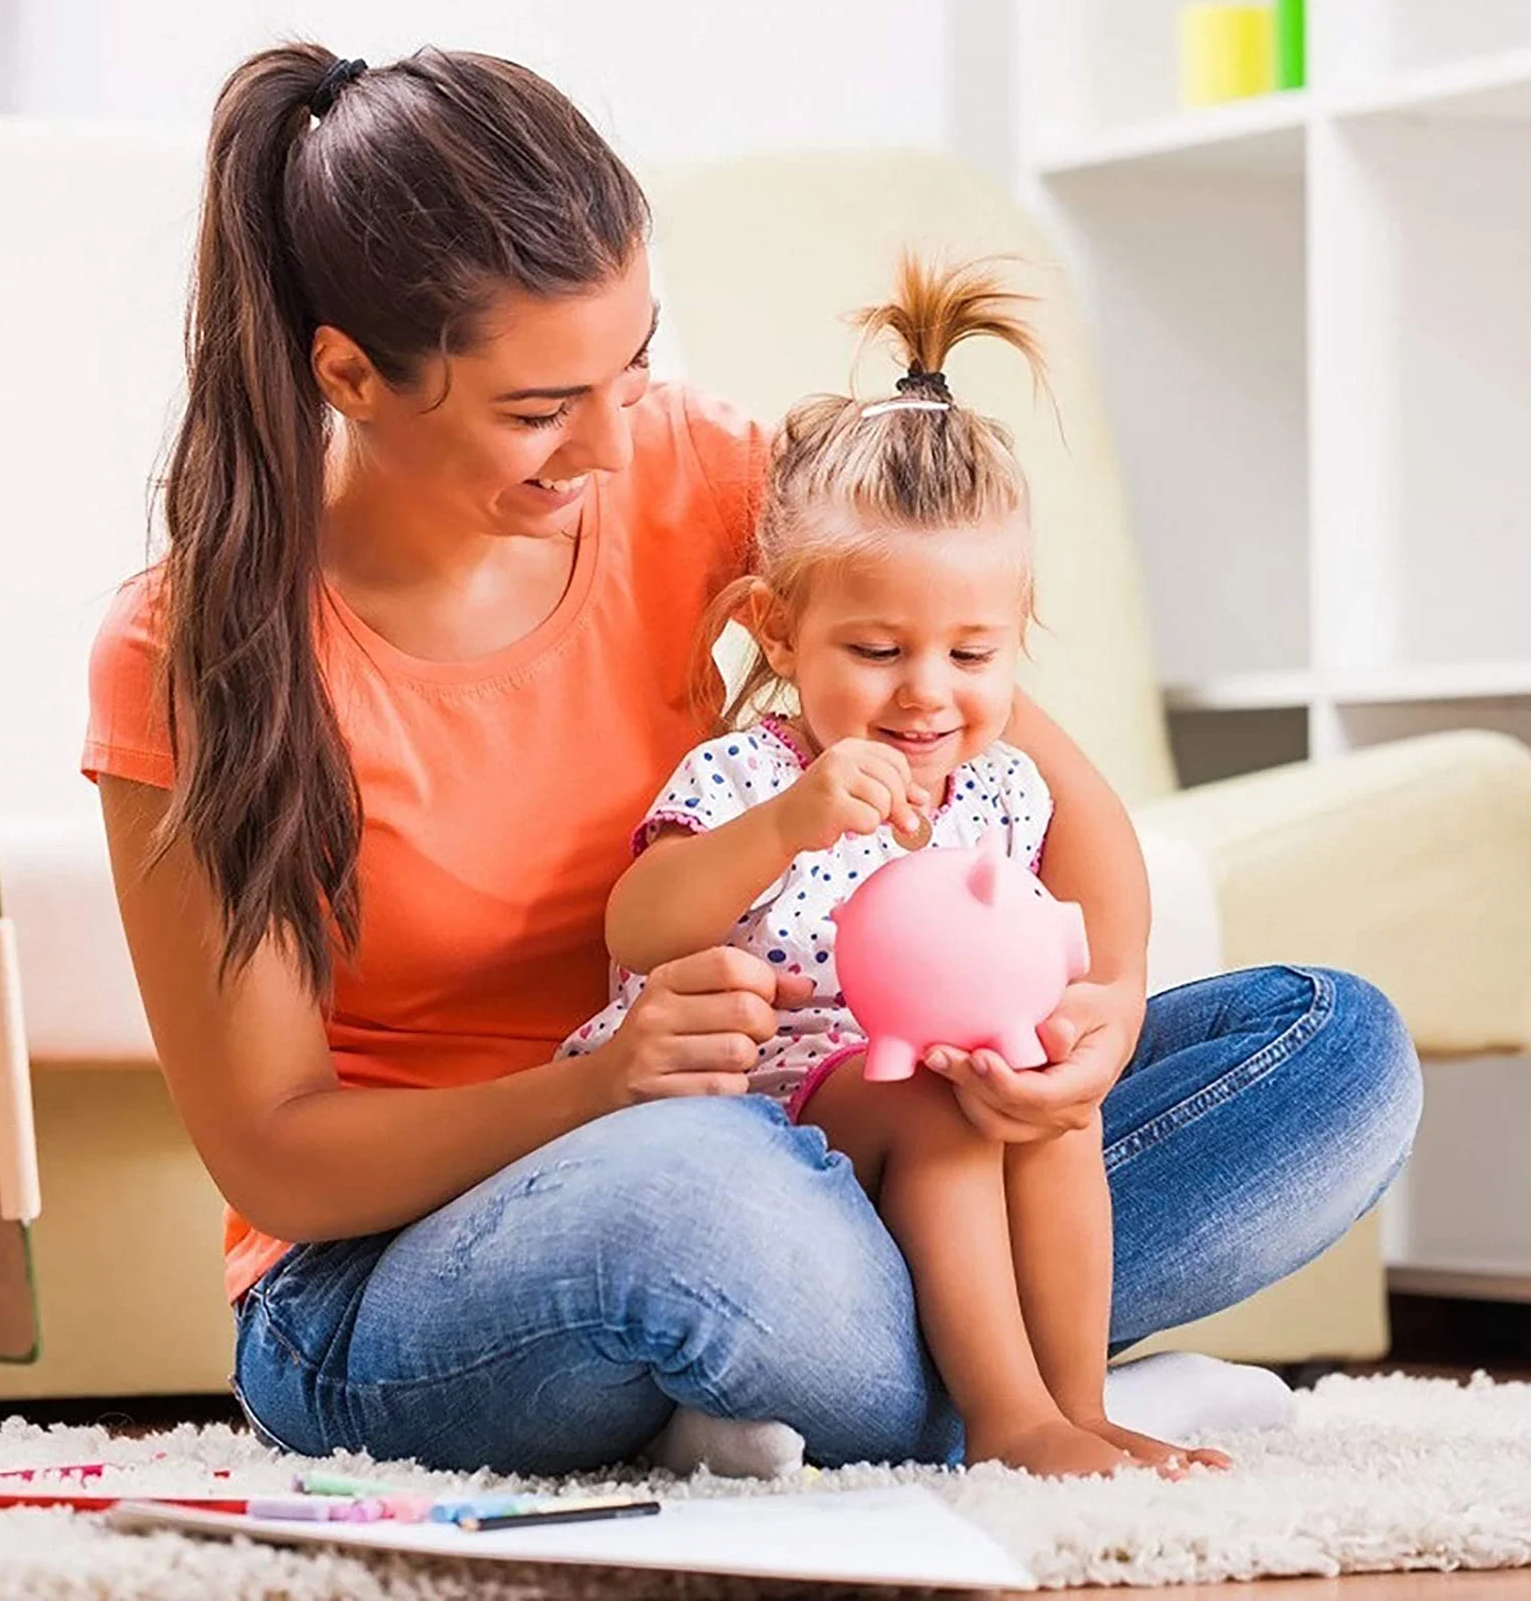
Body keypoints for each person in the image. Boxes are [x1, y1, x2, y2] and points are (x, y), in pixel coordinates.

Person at [85, 42, 1422, 1476]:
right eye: (539, 410)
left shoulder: (696, 472)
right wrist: (599, 1092)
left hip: (827, 1134)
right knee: (699, 1199)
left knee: (1331, 1052)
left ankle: (898, 1388)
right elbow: (277, 1152)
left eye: (634, 364)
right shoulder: (194, 650)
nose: (612, 440)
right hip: (405, 1274)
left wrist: (1091, 1012)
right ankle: (1038, 1388)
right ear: (348, 371)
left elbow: (1011, 753)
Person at [560, 254, 1232, 1478]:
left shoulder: (999, 786)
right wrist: (785, 826)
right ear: (776, 629)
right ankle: (1006, 1419)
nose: (927, 692)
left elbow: (1056, 933)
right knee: (941, 1115)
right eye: (875, 648)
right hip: (768, 1104)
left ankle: (1069, 1405)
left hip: (944, 1075)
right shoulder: (750, 774)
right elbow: (638, 921)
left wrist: (1085, 1019)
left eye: (974, 653)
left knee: (1050, 1119)